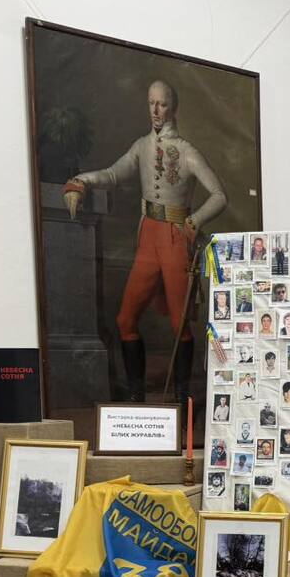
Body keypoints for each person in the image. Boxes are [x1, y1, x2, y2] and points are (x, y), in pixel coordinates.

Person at [62, 80, 226, 403]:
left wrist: (193, 221)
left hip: (175, 238)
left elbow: (220, 195)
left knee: (179, 324)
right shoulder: (141, 146)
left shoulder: (188, 152)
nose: (155, 110)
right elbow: (112, 174)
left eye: (161, 104)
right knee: (126, 319)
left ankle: (181, 399)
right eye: (151, 103)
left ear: (173, 107)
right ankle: (137, 397)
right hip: (147, 237)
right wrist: (80, 181)